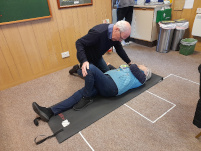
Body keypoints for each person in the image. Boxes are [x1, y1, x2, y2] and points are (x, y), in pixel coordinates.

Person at [32, 63, 152, 122]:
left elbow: (133, 66)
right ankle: (50, 111)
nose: (142, 65)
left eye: (144, 67)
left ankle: (86, 95)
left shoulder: (141, 78)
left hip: (111, 87)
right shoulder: (132, 73)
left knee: (90, 67)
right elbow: (120, 69)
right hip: (106, 81)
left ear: (145, 73)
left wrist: (141, 67)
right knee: (79, 93)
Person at [69, 20, 133, 78]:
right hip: (86, 57)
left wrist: (129, 62)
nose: (120, 41)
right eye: (121, 38)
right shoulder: (98, 33)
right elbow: (79, 42)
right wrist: (84, 61)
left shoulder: (116, 36)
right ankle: (77, 69)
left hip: (97, 56)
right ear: (116, 29)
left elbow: (119, 49)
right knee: (93, 77)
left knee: (108, 74)